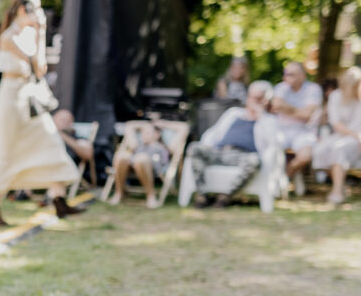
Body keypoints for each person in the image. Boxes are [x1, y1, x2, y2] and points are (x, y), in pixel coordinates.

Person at [0, 0, 83, 226]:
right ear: (23, 10)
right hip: (11, 100)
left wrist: (40, 32)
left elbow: (40, 68)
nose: (38, 14)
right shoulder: (9, 36)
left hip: (30, 98)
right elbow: (30, 61)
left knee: (51, 142)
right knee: (8, 151)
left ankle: (59, 200)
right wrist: (38, 32)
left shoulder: (30, 34)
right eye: (35, 9)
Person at [186, 80, 278, 208]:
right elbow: (214, 132)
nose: (253, 101)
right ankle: (202, 196)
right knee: (194, 148)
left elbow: (272, 143)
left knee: (254, 161)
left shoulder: (268, 120)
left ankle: (225, 197)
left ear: (265, 101)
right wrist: (206, 144)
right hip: (220, 151)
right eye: (251, 97)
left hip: (243, 156)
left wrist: (260, 116)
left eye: (258, 98)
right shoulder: (234, 113)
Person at [312, 66, 361, 204]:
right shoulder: (336, 96)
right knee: (320, 150)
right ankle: (341, 184)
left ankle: (337, 191)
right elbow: (335, 123)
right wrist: (354, 135)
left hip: (357, 137)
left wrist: (358, 136)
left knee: (339, 149)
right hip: (341, 135)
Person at [271, 62, 323, 181]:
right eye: (286, 74)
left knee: (305, 156)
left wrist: (286, 109)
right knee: (270, 151)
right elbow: (276, 105)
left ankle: (285, 176)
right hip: (280, 130)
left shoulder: (313, 89)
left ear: (302, 76)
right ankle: (279, 180)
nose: (286, 77)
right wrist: (298, 111)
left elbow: (307, 115)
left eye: (291, 74)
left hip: (304, 131)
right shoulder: (281, 87)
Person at [107, 121, 171, 208]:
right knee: (121, 156)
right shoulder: (138, 146)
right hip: (133, 167)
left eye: (147, 132)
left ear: (157, 134)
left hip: (153, 169)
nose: (144, 135)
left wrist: (160, 123)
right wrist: (147, 123)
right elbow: (129, 126)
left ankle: (151, 196)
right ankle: (119, 193)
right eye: (142, 132)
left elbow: (162, 164)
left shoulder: (160, 147)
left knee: (141, 158)